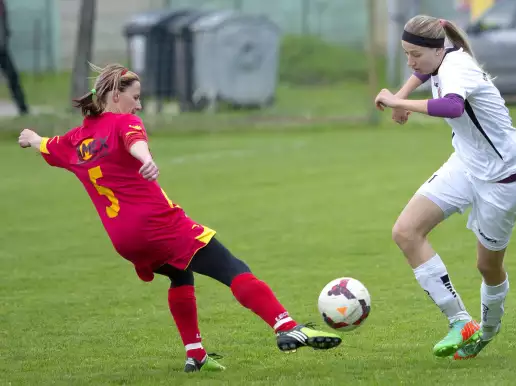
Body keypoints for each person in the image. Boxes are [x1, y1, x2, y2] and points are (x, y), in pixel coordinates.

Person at [17, 63, 342, 372]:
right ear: (116, 96)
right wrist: (146, 159)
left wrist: (31, 138)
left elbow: (46, 144)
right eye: (135, 97)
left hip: (124, 240)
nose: (139, 106)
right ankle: (287, 327)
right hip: (158, 225)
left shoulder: (76, 140)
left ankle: (195, 356)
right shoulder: (123, 122)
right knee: (232, 267)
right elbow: (136, 142)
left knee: (180, 275)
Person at [374, 15, 516, 360]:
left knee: (487, 267)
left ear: (436, 49)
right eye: (405, 54)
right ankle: (461, 321)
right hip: (465, 165)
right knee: (405, 232)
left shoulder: (457, 68)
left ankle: (487, 330)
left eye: (414, 54)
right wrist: (401, 93)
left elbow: (451, 106)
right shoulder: (440, 57)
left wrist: (400, 104)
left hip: (503, 180)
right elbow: (425, 71)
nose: (410, 62)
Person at [0, 0, 29, 115]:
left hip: (2, 48)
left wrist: (6, 36)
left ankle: (23, 108)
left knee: (13, 77)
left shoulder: (2, 4)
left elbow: (4, 23)